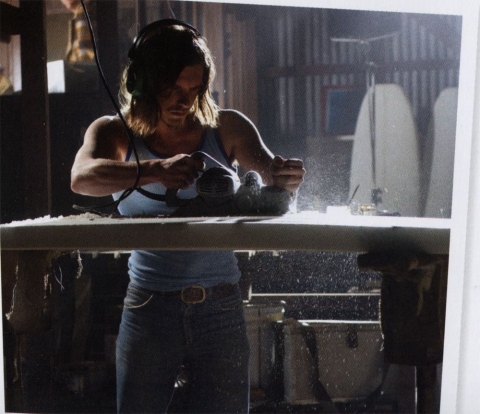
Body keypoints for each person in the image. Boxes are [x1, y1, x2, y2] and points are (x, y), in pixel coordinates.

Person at [71, 19, 305, 414]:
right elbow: (81, 177)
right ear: (143, 83)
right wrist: (154, 171)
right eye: (173, 89)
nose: (185, 100)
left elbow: (272, 182)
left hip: (221, 306)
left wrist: (285, 181)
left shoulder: (226, 127)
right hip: (149, 307)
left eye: (194, 89)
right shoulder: (115, 132)